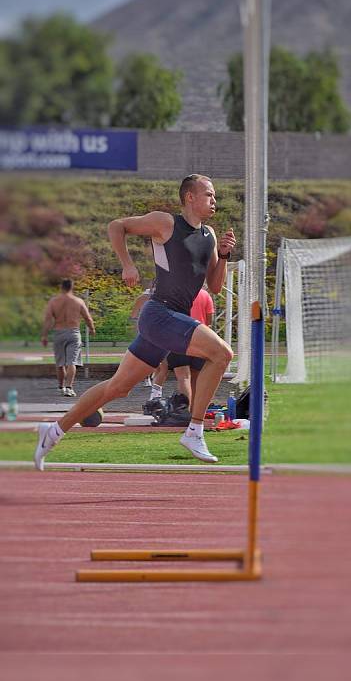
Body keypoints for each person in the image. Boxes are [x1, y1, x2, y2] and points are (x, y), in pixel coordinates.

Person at [34, 174, 235, 469]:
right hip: (158, 314)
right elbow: (117, 226)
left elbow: (215, 286)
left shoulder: (210, 237)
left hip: (171, 319)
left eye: (215, 196)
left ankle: (52, 431)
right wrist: (127, 264)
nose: (214, 201)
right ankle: (194, 430)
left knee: (117, 388)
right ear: (190, 197)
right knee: (222, 354)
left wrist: (224, 256)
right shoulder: (165, 223)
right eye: (209, 195)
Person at [149, 286, 215, 405]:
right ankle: (194, 412)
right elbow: (209, 321)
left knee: (183, 377)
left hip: (179, 337)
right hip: (200, 339)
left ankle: (184, 410)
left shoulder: (175, 293)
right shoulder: (205, 295)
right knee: (195, 379)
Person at [41, 279, 95, 397]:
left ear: (61, 287)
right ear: (72, 287)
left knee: (60, 363)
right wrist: (92, 329)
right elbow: (87, 317)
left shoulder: (54, 301)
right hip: (73, 332)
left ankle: (61, 387)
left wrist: (44, 335)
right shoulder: (78, 301)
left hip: (59, 332)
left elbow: (48, 319)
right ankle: (69, 387)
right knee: (72, 362)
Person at [130, 284, 155, 387]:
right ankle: (146, 376)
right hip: (145, 329)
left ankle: (151, 376)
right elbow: (134, 315)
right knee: (146, 354)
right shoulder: (143, 297)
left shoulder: (166, 296)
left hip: (159, 329)